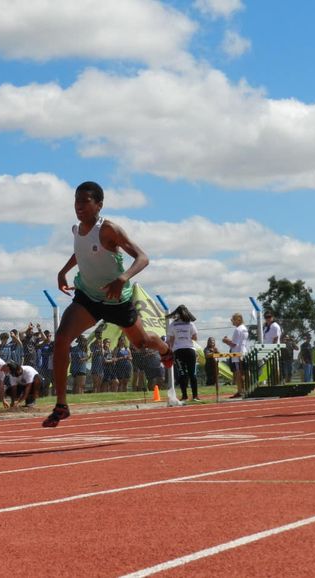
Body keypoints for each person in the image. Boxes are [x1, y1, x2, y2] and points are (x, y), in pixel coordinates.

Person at [43, 181, 174, 427]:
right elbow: (81, 253)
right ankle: (61, 404)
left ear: (99, 205)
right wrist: (63, 271)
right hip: (88, 298)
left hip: (117, 300)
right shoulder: (76, 230)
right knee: (61, 340)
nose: (79, 206)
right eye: (76, 201)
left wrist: (122, 278)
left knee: (142, 343)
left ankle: (165, 349)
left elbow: (142, 257)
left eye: (85, 202)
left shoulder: (109, 229)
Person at [167, 304, 199, 401]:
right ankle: (195, 396)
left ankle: (184, 396)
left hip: (178, 351)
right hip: (190, 350)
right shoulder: (190, 324)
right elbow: (195, 338)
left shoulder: (172, 324)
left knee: (182, 374)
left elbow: (171, 340)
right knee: (192, 374)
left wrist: (170, 351)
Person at [222, 313, 248, 398]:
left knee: (238, 374)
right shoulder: (244, 328)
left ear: (239, 319)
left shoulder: (238, 330)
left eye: (233, 319)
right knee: (243, 373)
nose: (232, 321)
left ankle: (240, 391)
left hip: (237, 354)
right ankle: (244, 390)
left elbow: (234, 344)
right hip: (243, 352)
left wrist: (226, 340)